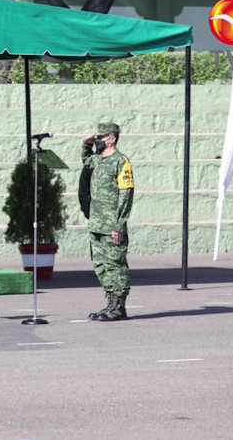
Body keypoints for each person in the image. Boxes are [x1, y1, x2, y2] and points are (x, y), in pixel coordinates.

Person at [81, 122, 134, 321]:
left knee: (115, 266)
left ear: (111, 138)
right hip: (96, 223)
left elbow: (126, 194)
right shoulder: (97, 159)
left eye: (101, 138)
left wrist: (119, 224)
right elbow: (86, 161)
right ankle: (111, 302)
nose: (98, 141)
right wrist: (86, 145)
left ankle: (119, 307)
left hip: (112, 225)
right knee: (101, 265)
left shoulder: (121, 161)